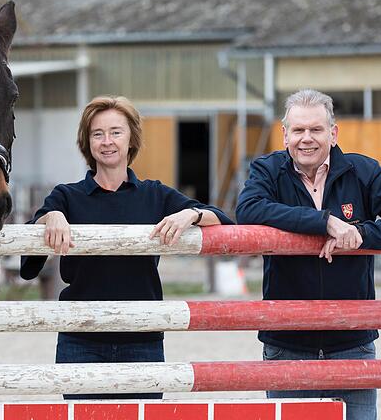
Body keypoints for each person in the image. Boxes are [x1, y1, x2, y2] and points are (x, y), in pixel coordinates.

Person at [235, 89, 381, 420]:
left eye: (316, 129)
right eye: (298, 130)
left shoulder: (363, 171)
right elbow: (248, 209)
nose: (306, 139)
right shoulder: (268, 170)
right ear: (284, 135)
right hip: (287, 342)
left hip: (352, 340)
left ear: (333, 132)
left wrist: (361, 233)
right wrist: (324, 222)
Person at [21, 95, 234, 399]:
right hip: (81, 339)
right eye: (98, 133)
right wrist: (49, 217)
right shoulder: (66, 197)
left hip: (142, 338)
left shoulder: (155, 195)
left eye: (116, 132)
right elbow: (29, 263)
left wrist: (192, 213)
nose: (107, 141)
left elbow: (224, 220)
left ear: (131, 138)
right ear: (87, 141)